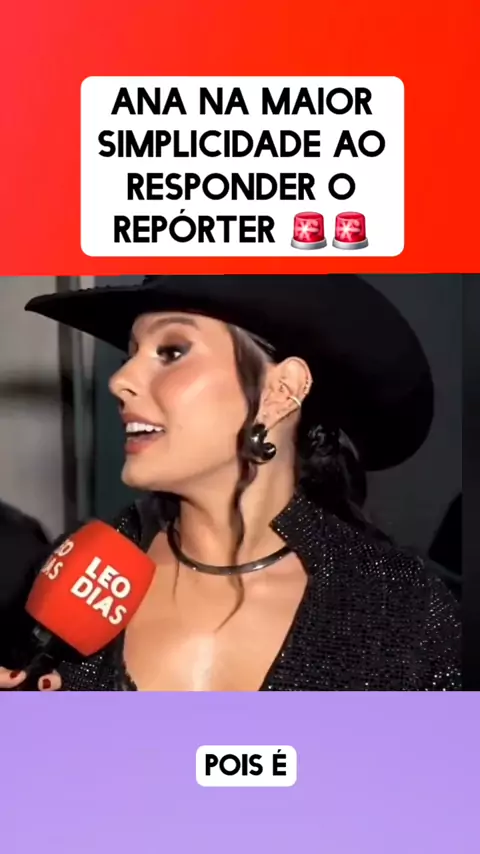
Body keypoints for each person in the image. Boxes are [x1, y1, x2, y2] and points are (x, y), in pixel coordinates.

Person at [0, 274, 460, 691]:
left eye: (171, 352)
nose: (120, 380)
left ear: (280, 392)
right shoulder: (74, 576)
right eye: (129, 355)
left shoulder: (403, 609)